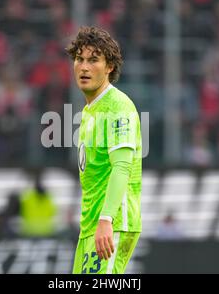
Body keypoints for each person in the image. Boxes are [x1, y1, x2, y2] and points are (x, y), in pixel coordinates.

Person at [66, 26, 142, 274]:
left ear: (109, 66)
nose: (84, 67)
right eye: (80, 59)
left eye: (93, 60)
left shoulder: (118, 106)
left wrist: (106, 220)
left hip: (112, 222)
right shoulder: (90, 111)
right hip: (90, 227)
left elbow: (122, 166)